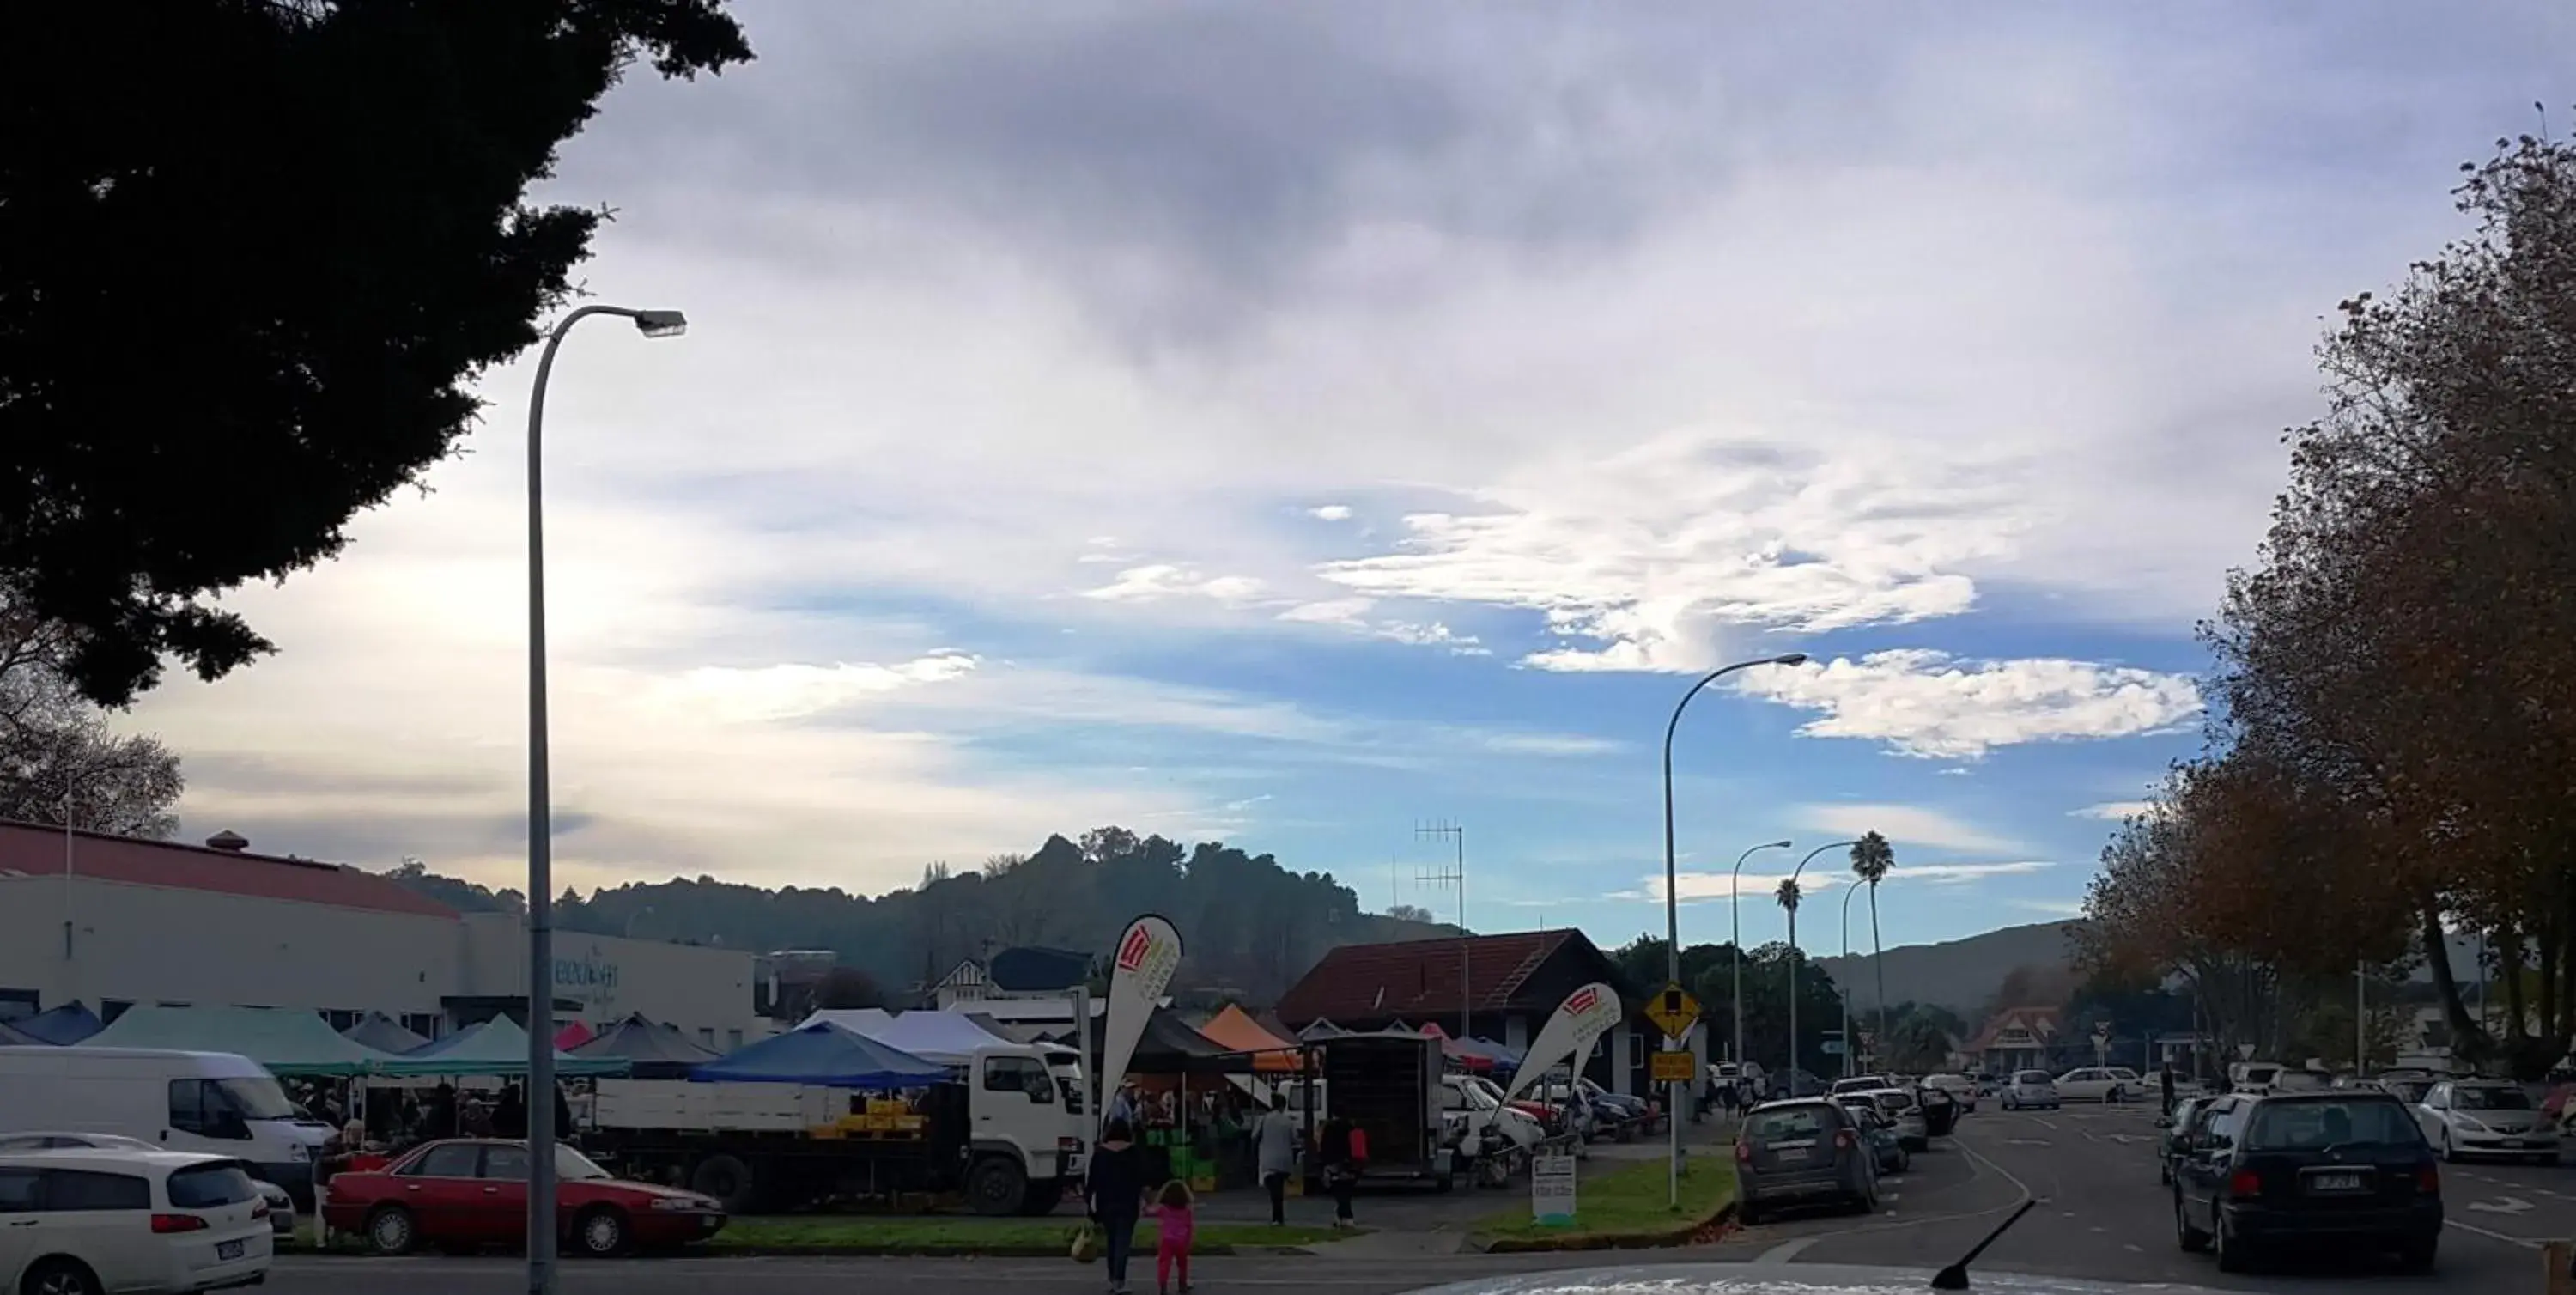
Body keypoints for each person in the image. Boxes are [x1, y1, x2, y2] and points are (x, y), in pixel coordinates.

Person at [1086, 1119, 1147, 1295]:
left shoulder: (1100, 1152)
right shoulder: (1133, 1152)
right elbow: (1140, 1177)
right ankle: (1119, 1279)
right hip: (1128, 1201)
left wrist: (1089, 1203)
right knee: (1123, 1242)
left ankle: (1113, 1277)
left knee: (1111, 1241)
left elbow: (1093, 1180)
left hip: (1106, 1202)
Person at [1250, 1093, 1297, 1225]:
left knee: (1274, 1190)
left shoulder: (1264, 1119)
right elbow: (1295, 1140)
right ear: (1284, 1106)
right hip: (1284, 1160)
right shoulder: (1288, 1121)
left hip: (1268, 1160)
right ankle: (1278, 1217)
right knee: (1279, 1189)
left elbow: (1254, 1137)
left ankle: (1277, 1217)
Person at [1150, 1179, 1195, 1295]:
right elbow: (1190, 1227)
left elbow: (1150, 1212)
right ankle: (1182, 1285)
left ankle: (1163, 1286)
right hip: (1182, 1240)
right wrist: (1189, 1242)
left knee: (1164, 1264)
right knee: (1182, 1264)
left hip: (1167, 1240)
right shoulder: (1187, 1211)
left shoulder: (1163, 1209)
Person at [1317, 1113, 1363, 1229]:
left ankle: (1343, 1216)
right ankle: (1345, 1217)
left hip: (1334, 1164)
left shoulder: (1329, 1128)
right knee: (1346, 1191)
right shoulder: (1351, 1127)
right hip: (1349, 1164)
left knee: (1339, 1191)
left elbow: (1323, 1146)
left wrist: (1325, 1163)